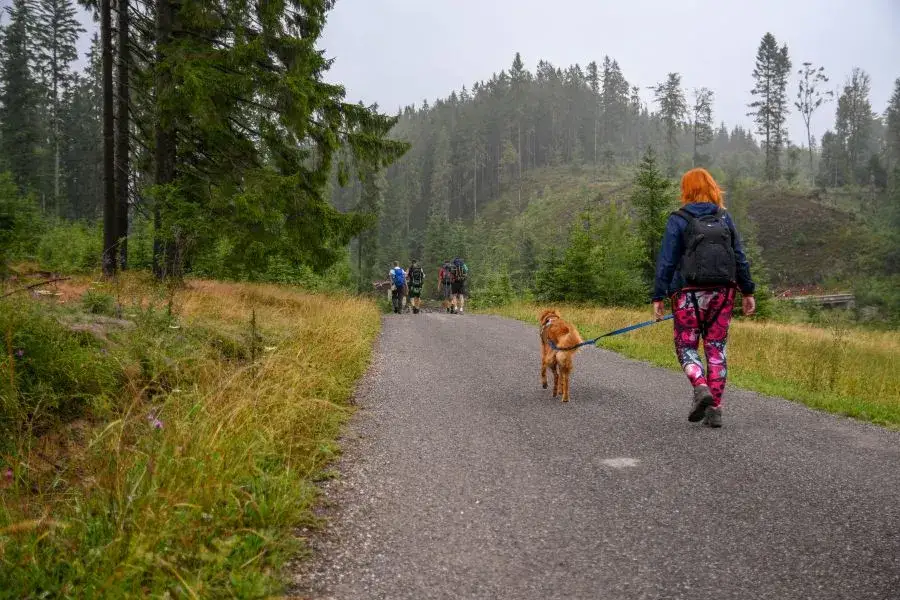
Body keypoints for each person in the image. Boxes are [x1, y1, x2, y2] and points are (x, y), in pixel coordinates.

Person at [652, 168, 756, 428]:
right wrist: (748, 291)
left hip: (687, 293)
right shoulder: (724, 218)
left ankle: (700, 386)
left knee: (687, 346)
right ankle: (716, 409)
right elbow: (739, 256)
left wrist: (658, 295)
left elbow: (667, 260)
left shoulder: (679, 219)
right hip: (724, 292)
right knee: (716, 349)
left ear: (686, 190)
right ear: (712, 188)